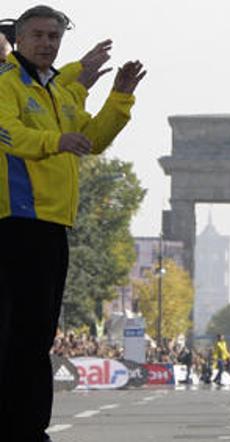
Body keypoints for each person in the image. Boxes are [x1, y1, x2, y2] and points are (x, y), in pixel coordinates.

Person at [0, 6, 145, 441]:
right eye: (39, 35)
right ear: (19, 39)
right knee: (12, 333)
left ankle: (30, 427)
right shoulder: (6, 83)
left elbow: (94, 139)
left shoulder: (60, 93)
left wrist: (119, 98)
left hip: (52, 225)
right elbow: (7, 134)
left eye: (54, 37)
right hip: (14, 221)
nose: (47, 43)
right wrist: (55, 140)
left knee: (38, 335)